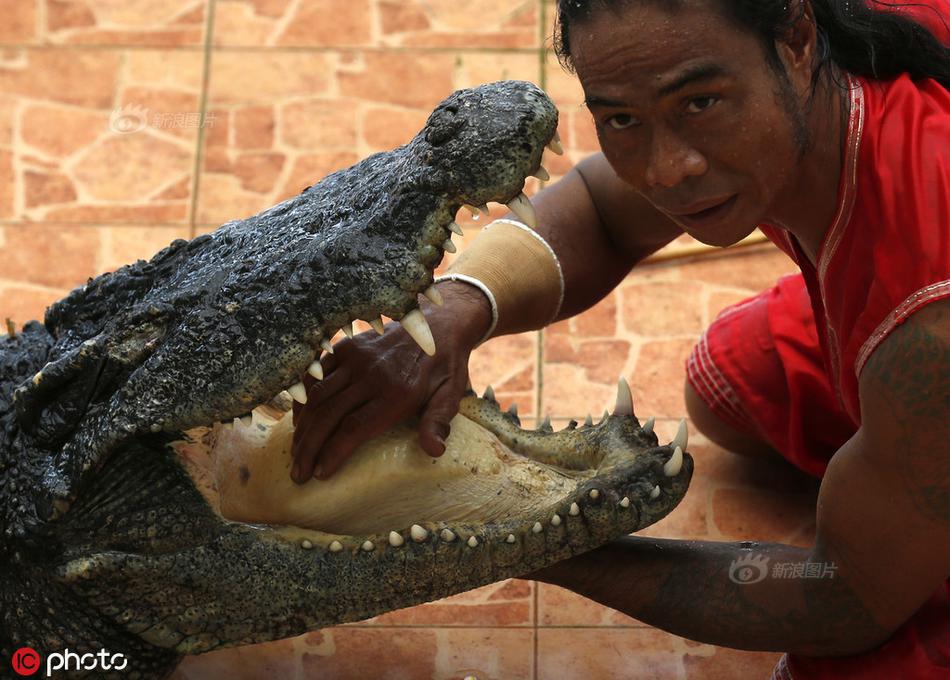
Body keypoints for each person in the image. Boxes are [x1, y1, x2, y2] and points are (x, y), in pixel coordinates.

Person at [290, 0, 950, 677]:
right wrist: (446, 317)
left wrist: (527, 537)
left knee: (859, 657)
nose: (667, 170)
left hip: (931, 327)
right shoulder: (836, 55)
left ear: (797, 39)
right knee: (737, 379)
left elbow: (841, 599)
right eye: (623, 120)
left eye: (701, 103)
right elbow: (604, 212)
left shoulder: (932, 320)